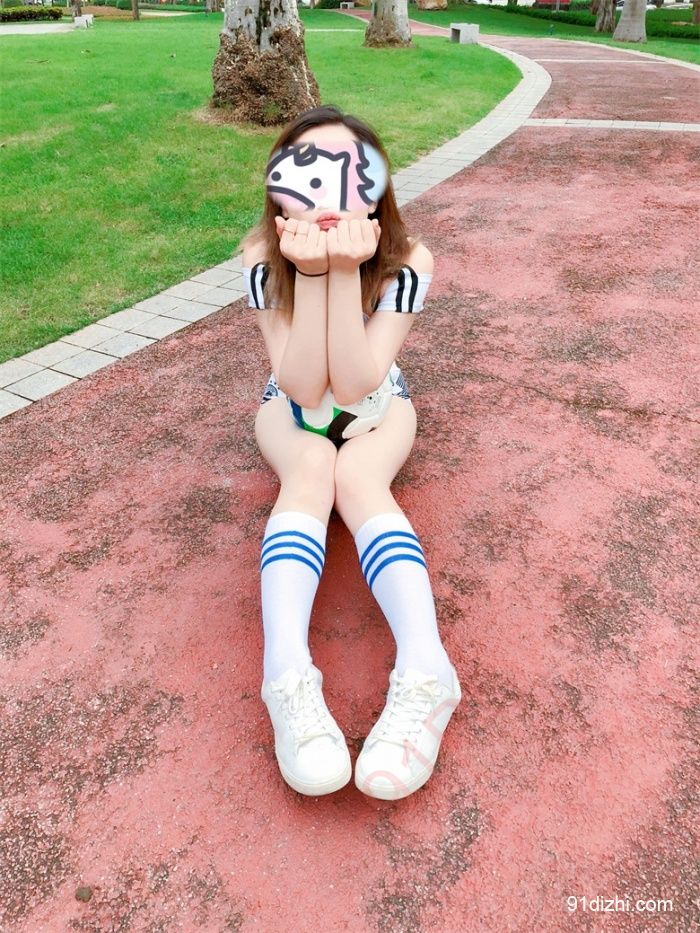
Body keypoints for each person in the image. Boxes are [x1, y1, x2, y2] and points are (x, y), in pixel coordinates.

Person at [240, 105, 461, 802]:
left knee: (362, 478)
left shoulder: (409, 260)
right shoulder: (260, 256)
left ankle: (428, 668)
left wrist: (345, 271)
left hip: (379, 408)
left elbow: (360, 381)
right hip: (290, 409)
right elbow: (304, 386)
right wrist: (312, 274)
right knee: (309, 469)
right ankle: (285, 674)